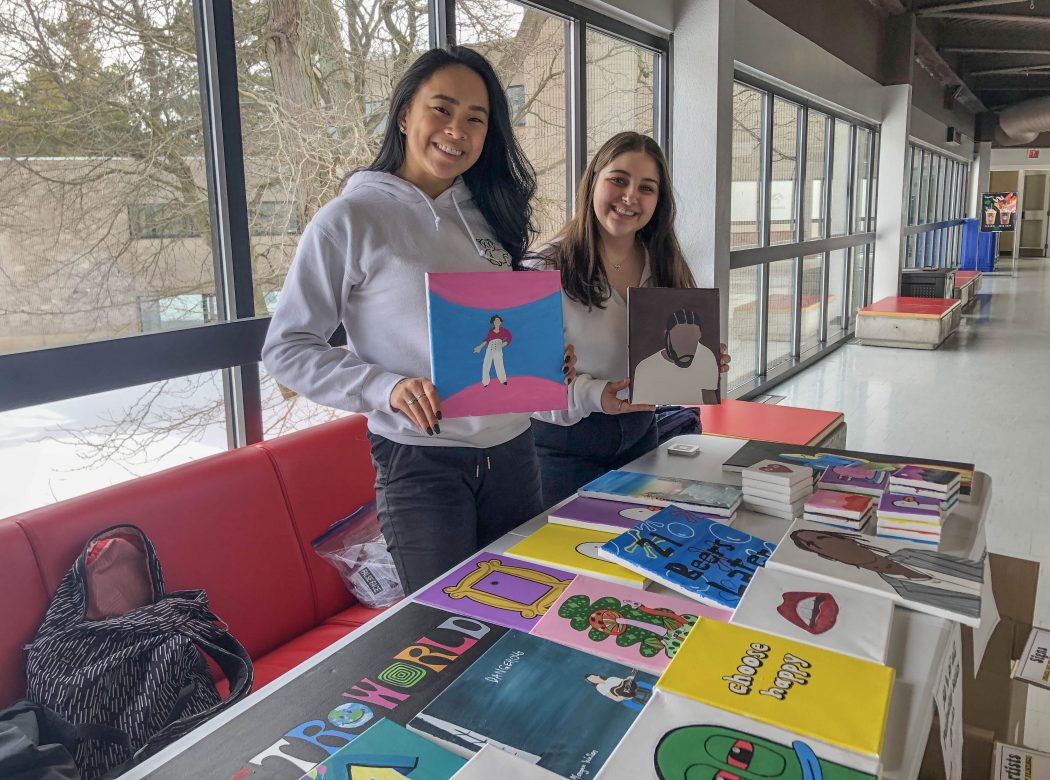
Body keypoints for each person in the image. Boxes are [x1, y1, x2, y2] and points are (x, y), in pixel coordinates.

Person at [262, 47, 575, 593]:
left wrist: (547, 356)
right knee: (444, 628)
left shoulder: (491, 215)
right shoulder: (349, 220)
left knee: (525, 614)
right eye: (443, 109)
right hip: (422, 462)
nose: (457, 130)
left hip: (515, 452)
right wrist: (386, 387)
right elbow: (286, 349)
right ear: (405, 113)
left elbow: (496, 325)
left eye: (476, 119)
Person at [528, 132, 729, 507]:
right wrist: (592, 395)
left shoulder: (664, 262)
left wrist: (700, 362)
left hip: (641, 438)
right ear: (592, 183)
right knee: (571, 559)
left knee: (640, 550)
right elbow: (523, 388)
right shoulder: (544, 267)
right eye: (618, 180)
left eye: (646, 188)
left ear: (659, 201)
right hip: (562, 449)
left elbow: (666, 360)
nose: (630, 197)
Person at [631, 308, 720, 405]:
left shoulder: (707, 356)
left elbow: (710, 399)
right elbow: (641, 408)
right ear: (667, 335)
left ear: (699, 335)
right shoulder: (646, 367)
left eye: (691, 336)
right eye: (679, 336)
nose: (686, 343)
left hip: (695, 415)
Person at [473, 314, 511, 386]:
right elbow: (487, 339)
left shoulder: (504, 330)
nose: (497, 322)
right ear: (493, 322)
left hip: (498, 348)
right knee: (486, 364)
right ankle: (485, 382)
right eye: (495, 321)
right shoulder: (491, 330)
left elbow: (509, 337)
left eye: (498, 320)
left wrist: (503, 344)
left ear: (500, 322)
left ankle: (503, 380)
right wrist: (480, 347)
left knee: (499, 364)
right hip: (489, 348)